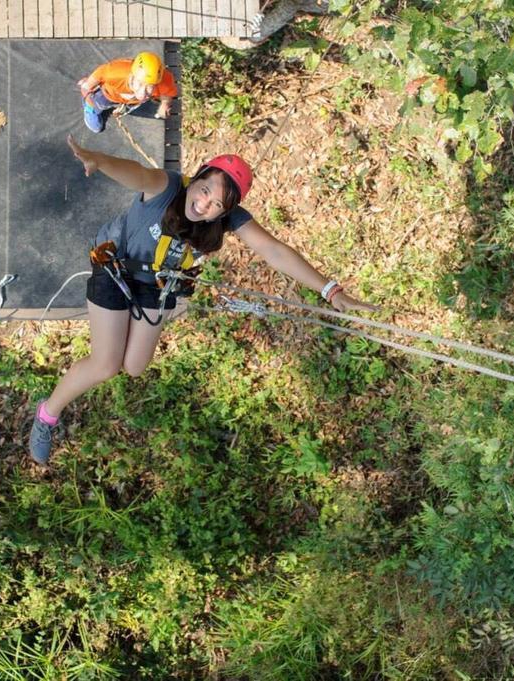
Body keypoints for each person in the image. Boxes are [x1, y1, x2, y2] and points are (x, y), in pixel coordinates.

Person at [29, 135, 377, 464]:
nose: (204, 203)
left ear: (225, 212)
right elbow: (136, 174)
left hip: (157, 284)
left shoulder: (227, 220)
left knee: (134, 367)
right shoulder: (166, 188)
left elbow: (274, 250)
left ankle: (96, 365)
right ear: (196, 177)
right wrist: (100, 160)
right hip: (116, 268)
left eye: (216, 205)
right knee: (106, 365)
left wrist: (331, 290)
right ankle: (47, 414)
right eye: (205, 189)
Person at [77, 51, 177, 133]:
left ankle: (121, 105)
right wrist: (89, 102)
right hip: (107, 94)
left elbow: (167, 94)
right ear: (132, 76)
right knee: (97, 128)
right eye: (140, 83)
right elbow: (86, 88)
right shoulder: (112, 73)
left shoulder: (163, 81)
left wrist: (165, 104)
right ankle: (89, 108)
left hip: (130, 102)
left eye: (149, 87)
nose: (142, 93)